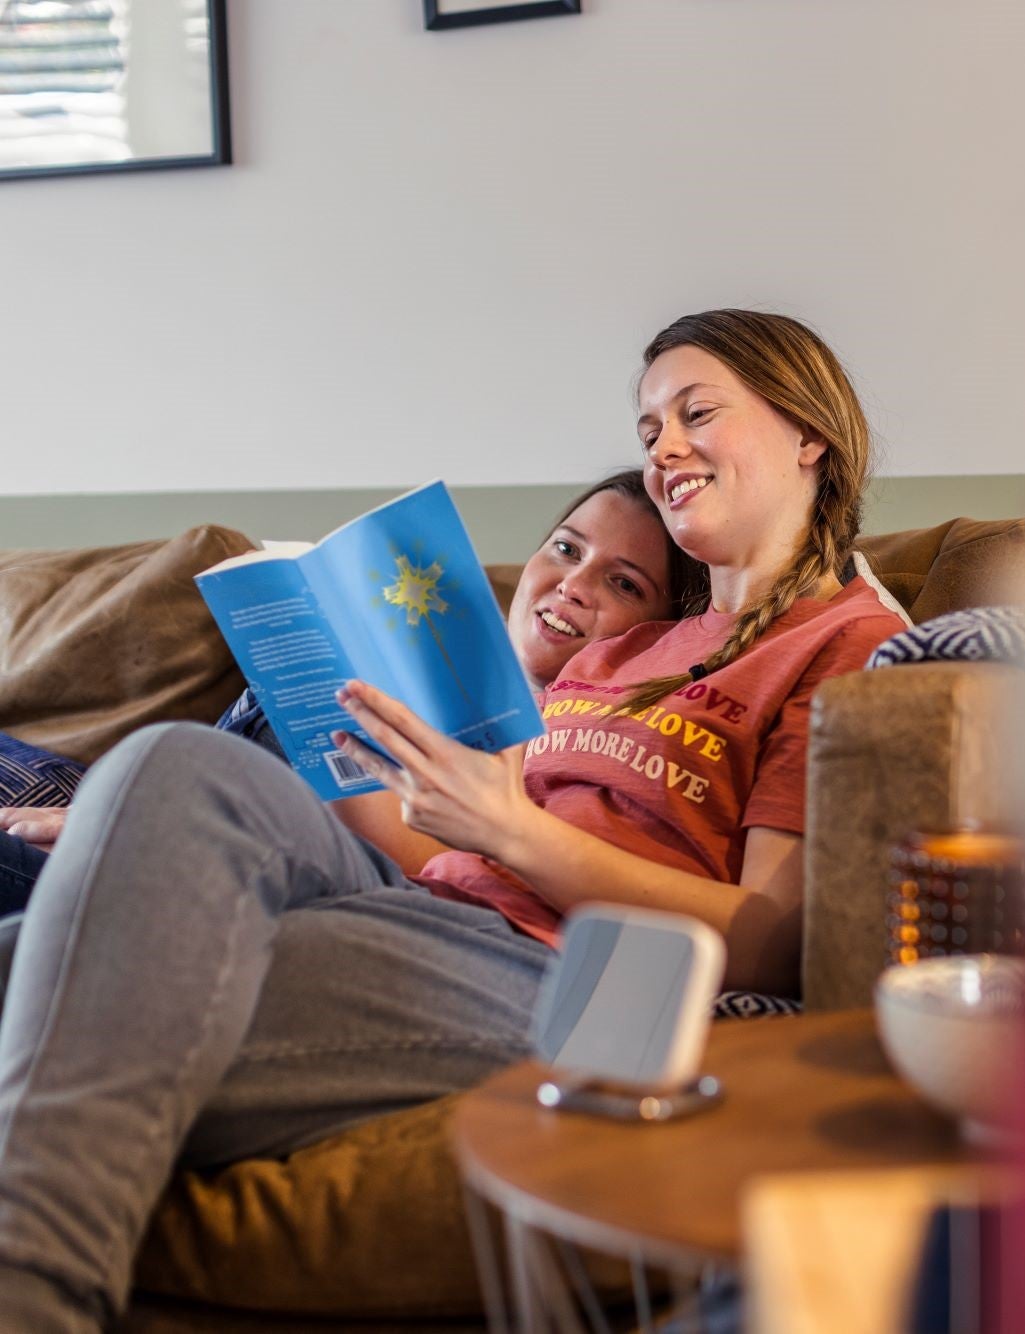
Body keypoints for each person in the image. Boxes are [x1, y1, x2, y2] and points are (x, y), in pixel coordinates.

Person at [0, 309, 906, 1330]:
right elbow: (467, 845)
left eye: (697, 413)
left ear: (808, 434)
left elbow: (776, 942)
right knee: (175, 760)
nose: (665, 448)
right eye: (650, 426)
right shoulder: (620, 653)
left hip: (559, 969)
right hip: (424, 904)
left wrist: (509, 827)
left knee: (57, 995)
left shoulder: (849, 646)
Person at [0, 468, 706, 905]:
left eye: (622, 582)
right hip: (107, 797)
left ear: (661, 630)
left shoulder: (582, 748)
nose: (573, 585)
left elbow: (442, 872)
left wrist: (127, 828)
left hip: (197, 863)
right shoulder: (422, 642)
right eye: (565, 548)